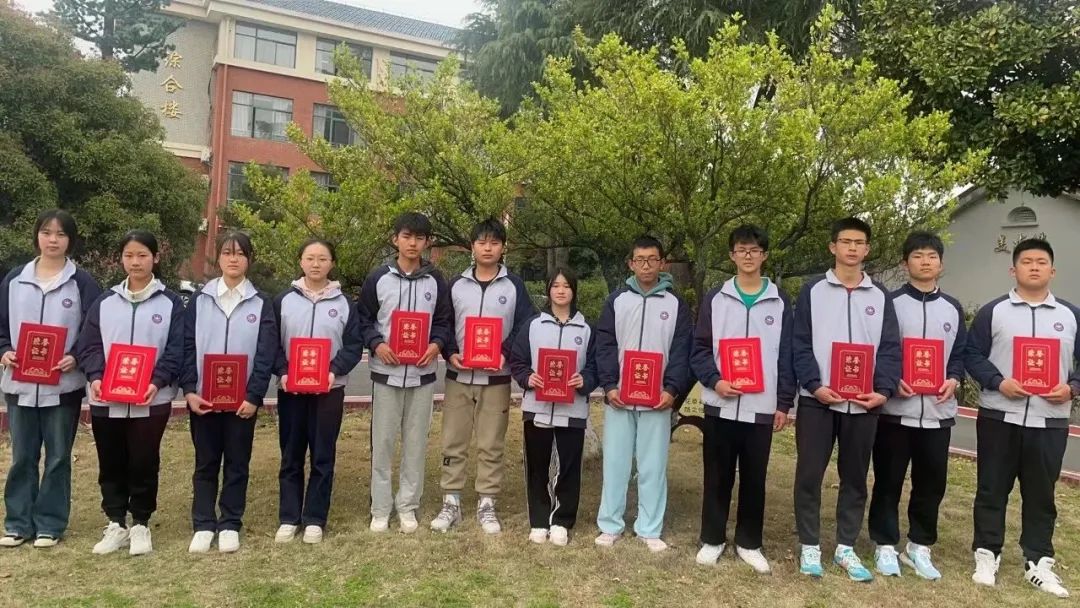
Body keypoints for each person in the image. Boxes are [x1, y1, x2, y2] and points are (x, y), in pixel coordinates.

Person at [791, 217, 901, 581]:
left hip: (863, 404)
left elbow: (890, 348)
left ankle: (845, 546)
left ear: (867, 249)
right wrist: (813, 384)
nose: (852, 248)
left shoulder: (880, 296)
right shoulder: (813, 290)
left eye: (859, 243)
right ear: (832, 247)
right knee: (809, 473)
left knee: (855, 476)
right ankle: (809, 544)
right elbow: (799, 343)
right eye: (845, 241)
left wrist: (883, 390)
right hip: (818, 400)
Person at [966, 238, 1075, 598]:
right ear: (1013, 270)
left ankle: (1038, 562)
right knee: (991, 488)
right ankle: (987, 554)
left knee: (1041, 494)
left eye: (1041, 262)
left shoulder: (1070, 315)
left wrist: (1072, 388)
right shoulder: (993, 312)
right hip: (1000, 416)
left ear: (1052, 270)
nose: (1034, 267)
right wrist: (998, 381)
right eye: (1026, 262)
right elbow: (971, 354)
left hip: (1050, 420)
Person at [690, 225, 794, 573]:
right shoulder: (716, 299)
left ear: (764, 256)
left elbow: (786, 356)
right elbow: (699, 349)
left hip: (761, 406)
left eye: (754, 250)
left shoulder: (780, 301)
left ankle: (749, 542)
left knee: (754, 478)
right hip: (720, 404)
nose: (748, 256)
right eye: (741, 250)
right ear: (732, 255)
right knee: (717, 475)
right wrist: (715, 381)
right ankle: (712, 538)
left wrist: (783, 402)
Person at [76, 230, 185, 556]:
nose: (135, 262)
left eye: (142, 255)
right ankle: (115, 522)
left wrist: (157, 381)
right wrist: (96, 376)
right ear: (121, 259)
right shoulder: (105, 302)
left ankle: (140, 523)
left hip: (152, 400)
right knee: (110, 461)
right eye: (129, 255)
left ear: (155, 258)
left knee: (144, 461)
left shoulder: (170, 303)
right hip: (106, 399)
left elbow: (176, 349)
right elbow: (89, 345)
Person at [867, 231, 966, 580]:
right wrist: (890, 380)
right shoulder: (890, 304)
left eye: (932, 256)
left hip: (938, 414)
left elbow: (959, 354)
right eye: (918, 256)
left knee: (931, 484)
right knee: (888, 480)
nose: (925, 262)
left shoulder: (952, 308)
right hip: (896, 413)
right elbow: (877, 350)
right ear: (904, 263)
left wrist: (954, 378)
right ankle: (884, 543)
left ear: (941, 264)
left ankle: (920, 545)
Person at [0, 209, 101, 549]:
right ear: (37, 236)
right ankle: (17, 523)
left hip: (62, 387)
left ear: (70, 240)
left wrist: (76, 356)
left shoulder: (82, 283)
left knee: (58, 457)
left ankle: (50, 524)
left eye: (60, 234)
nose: (53, 240)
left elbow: (94, 329)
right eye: (46, 232)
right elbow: (1, 325)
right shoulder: (15, 279)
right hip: (20, 384)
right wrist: (4, 350)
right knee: (22, 457)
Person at [432, 218, 535, 534]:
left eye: (494, 243)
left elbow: (525, 325)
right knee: (453, 440)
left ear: (503, 248)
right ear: (472, 247)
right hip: (459, 376)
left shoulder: (514, 285)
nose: (487, 248)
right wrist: (450, 352)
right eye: (482, 242)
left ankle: (487, 503)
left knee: (491, 443)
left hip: (496, 378)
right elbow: (444, 323)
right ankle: (451, 501)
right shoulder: (456, 284)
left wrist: (505, 352)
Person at [180, 231, 277, 554]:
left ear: (249, 259)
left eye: (240, 253)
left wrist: (254, 396)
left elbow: (265, 353)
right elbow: (187, 345)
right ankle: (203, 523)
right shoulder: (200, 300)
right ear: (218, 258)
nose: (233, 259)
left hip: (241, 403)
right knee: (205, 463)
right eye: (227, 253)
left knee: (237, 463)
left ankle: (231, 522)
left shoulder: (261, 303)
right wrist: (189, 390)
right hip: (204, 400)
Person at [594, 236, 692, 553]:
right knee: (616, 463)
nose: (646, 265)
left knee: (653, 465)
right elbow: (604, 345)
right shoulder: (617, 301)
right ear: (631, 264)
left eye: (652, 259)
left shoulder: (675, 305)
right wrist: (609, 385)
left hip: (657, 400)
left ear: (663, 263)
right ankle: (610, 524)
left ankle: (649, 528)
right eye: (640, 260)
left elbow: (682, 351)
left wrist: (672, 389)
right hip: (620, 397)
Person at [358, 212, 452, 534]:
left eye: (419, 238)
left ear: (427, 242)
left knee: (415, 443)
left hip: (422, 376)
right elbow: (363, 319)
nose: (413, 243)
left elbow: (444, 321)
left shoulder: (435, 280)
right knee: (382, 443)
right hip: (386, 373)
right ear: (395, 239)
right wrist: (377, 344)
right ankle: (380, 508)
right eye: (407, 236)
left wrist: (436, 345)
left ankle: (408, 506)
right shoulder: (378, 278)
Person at [273, 238, 364, 545]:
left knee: (323, 455)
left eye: (322, 259)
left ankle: (315, 518)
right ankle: (289, 517)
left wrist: (333, 370)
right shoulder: (283, 300)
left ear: (332, 263)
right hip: (291, 390)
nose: (316, 264)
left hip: (329, 390)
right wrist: (283, 372)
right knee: (291, 454)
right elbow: (271, 343)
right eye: (310, 258)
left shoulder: (345, 304)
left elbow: (353, 345)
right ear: (300, 261)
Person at [509, 267, 597, 546]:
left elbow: (595, 366)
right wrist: (527, 377)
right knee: (538, 466)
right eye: (556, 285)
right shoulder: (533, 326)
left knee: (569, 467)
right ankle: (538, 520)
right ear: (548, 290)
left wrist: (584, 380)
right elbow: (517, 360)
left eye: (566, 286)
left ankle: (562, 521)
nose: (561, 291)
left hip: (573, 410)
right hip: (537, 407)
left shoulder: (586, 329)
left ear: (574, 291)